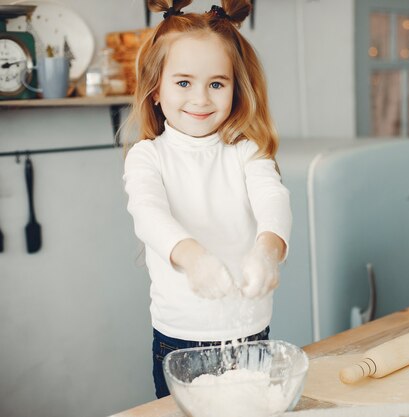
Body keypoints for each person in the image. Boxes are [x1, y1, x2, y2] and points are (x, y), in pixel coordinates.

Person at [122, 0, 291, 398]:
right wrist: (193, 258)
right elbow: (148, 214)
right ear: (155, 90)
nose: (200, 98)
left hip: (251, 331)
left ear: (236, 89)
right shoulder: (148, 156)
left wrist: (268, 250)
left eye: (216, 83)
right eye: (183, 82)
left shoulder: (246, 150)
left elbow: (273, 199)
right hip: (180, 339)